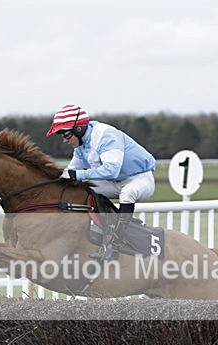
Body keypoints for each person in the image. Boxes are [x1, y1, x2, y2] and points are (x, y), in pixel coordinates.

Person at [47, 104, 156, 260]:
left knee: (127, 193)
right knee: (83, 189)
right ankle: (107, 228)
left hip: (140, 178)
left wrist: (77, 175)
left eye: (66, 135)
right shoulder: (81, 145)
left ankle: (116, 244)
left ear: (78, 129)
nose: (64, 140)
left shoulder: (106, 136)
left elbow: (111, 170)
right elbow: (70, 172)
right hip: (114, 181)